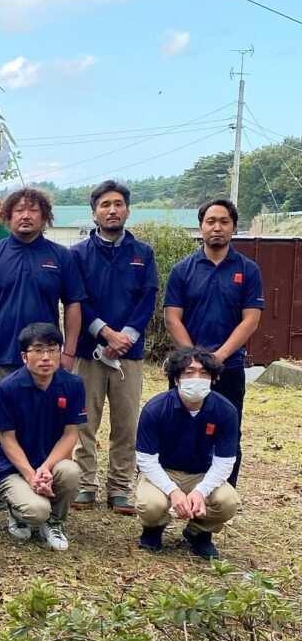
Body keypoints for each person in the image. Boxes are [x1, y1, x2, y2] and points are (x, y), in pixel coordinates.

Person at [0, 187, 85, 511]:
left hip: (43, 359)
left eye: (34, 210)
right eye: (19, 210)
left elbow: (74, 305)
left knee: (44, 424)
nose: (26, 215)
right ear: (7, 216)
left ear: (45, 217)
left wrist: (68, 353)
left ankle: (42, 480)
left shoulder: (61, 257)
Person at [69, 180, 158, 514]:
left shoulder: (142, 253)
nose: (112, 210)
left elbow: (147, 298)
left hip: (129, 355)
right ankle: (84, 484)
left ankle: (120, 487)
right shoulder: (77, 254)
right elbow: (76, 301)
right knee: (84, 422)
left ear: (127, 210)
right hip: (88, 351)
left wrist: (126, 338)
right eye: (105, 205)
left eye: (118, 204)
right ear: (94, 213)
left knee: (126, 423)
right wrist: (105, 333)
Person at [164, 198, 263, 488]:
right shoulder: (182, 270)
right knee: (178, 428)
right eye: (211, 221)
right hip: (186, 368)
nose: (217, 227)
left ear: (233, 227)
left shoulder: (248, 270)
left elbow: (250, 320)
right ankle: (174, 495)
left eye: (224, 222)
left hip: (228, 367)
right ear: (201, 226)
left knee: (227, 433)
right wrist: (196, 362)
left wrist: (218, 357)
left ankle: (220, 500)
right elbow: (172, 318)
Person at [135, 348, 239, 560]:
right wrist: (173, 491)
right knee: (150, 504)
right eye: (189, 372)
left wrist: (201, 491)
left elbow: (224, 461)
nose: (197, 379)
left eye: (204, 373)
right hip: (162, 472)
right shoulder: (155, 409)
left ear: (214, 378)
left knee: (228, 501)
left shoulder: (226, 411)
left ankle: (199, 533)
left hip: (202, 473)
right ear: (176, 379)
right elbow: (146, 460)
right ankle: (153, 530)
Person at [0, 323, 86, 552]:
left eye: (53, 349)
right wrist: (30, 475)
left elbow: (70, 434)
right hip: (14, 469)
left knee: (72, 472)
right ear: (24, 356)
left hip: (50, 465)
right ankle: (18, 513)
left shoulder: (73, 385)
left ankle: (54, 522)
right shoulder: (8, 387)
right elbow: (8, 438)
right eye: (38, 350)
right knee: (36, 511)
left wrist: (45, 468)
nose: (46, 357)